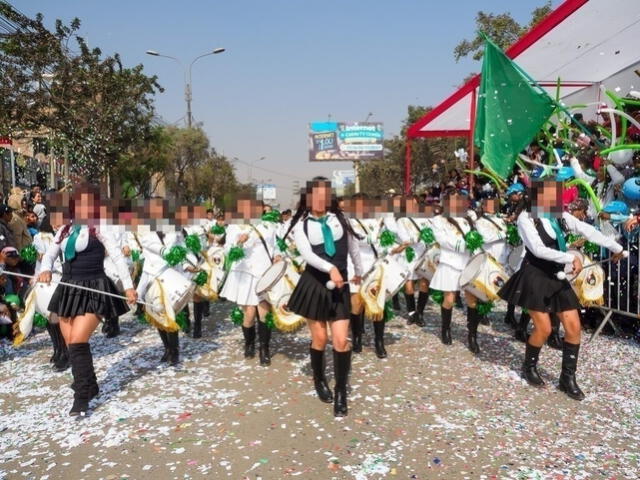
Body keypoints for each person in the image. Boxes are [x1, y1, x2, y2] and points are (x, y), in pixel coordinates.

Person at [498, 180, 623, 400]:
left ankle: (568, 378)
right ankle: (529, 366)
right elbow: (537, 250)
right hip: (535, 274)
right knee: (544, 329)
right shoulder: (526, 218)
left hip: (557, 275)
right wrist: (569, 258)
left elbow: (588, 230)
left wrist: (616, 247)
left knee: (574, 327)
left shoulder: (559, 216)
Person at [38, 184, 137, 416]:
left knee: (77, 340)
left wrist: (129, 287)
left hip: (94, 287)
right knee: (70, 342)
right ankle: (90, 384)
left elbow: (116, 257)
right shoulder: (65, 228)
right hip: (68, 288)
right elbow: (50, 254)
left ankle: (81, 395)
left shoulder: (99, 227)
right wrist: (45, 269)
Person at [286, 177, 362, 417]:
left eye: (324, 194)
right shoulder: (300, 225)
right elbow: (307, 255)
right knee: (319, 338)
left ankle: (341, 392)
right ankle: (319, 380)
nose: (320, 199)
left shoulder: (341, 219)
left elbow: (353, 248)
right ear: (308, 198)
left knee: (341, 340)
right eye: (315, 195)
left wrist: (359, 272)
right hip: (315, 284)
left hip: (340, 286)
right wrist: (330, 268)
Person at [429, 190, 483, 354]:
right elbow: (441, 239)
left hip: (468, 263)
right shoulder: (438, 220)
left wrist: (477, 250)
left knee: (472, 300)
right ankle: (446, 329)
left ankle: (472, 336)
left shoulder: (468, 218)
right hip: (450, 262)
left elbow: (476, 237)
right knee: (449, 299)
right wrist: (462, 245)